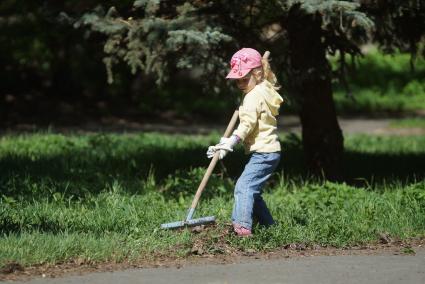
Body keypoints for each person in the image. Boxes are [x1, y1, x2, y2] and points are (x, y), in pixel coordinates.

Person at [206, 48, 284, 237]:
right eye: (237, 80)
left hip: (264, 152)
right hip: (270, 151)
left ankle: (242, 226)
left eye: (244, 79)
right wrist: (225, 144)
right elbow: (251, 119)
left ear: (256, 73)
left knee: (244, 187)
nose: (240, 84)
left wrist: (231, 141)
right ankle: (269, 226)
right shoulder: (263, 87)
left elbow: (247, 124)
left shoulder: (252, 96)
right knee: (253, 192)